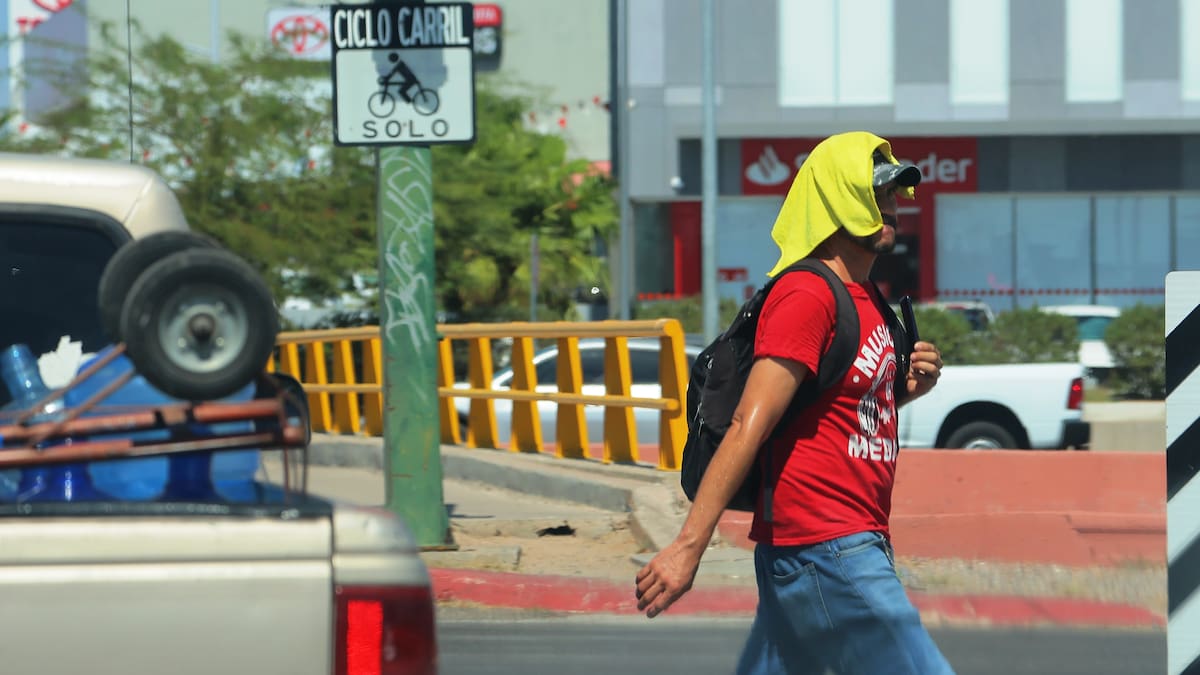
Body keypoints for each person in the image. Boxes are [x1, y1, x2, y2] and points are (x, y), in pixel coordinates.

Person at [634, 131, 954, 675]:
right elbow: (747, 426)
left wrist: (902, 392)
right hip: (826, 546)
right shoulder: (806, 295)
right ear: (838, 199)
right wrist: (688, 546)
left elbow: (835, 415)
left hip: (845, 540)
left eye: (896, 193)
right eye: (878, 193)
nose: (893, 206)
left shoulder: (869, 300)